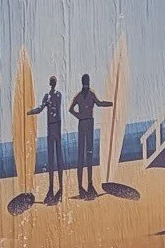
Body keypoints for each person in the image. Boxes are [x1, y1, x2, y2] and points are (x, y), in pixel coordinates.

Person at [69, 74, 113, 199]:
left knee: (88, 153)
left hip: (88, 122)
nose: (86, 85)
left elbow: (99, 103)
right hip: (84, 123)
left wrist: (111, 103)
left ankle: (89, 184)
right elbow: (71, 109)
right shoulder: (80, 95)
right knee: (82, 155)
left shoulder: (89, 94)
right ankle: (81, 186)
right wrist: (79, 116)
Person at [28, 75, 64, 204]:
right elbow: (40, 109)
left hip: (54, 126)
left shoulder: (52, 96)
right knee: (55, 158)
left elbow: (40, 109)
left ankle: (55, 187)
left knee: (54, 158)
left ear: (50, 83)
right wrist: (30, 112)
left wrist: (29, 112)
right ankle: (55, 187)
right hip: (55, 126)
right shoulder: (56, 95)